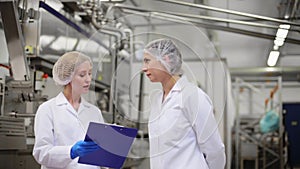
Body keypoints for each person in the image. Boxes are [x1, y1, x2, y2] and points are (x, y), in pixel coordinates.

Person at [142, 39, 226, 169]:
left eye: (147, 61)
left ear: (166, 59)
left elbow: (214, 149)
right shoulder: (156, 101)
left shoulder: (193, 96)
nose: (143, 68)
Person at [33, 51, 104, 169]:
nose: (88, 79)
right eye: (82, 75)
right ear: (68, 77)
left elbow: (100, 152)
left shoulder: (94, 112)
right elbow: (41, 153)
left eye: (90, 74)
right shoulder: (48, 109)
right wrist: (70, 152)